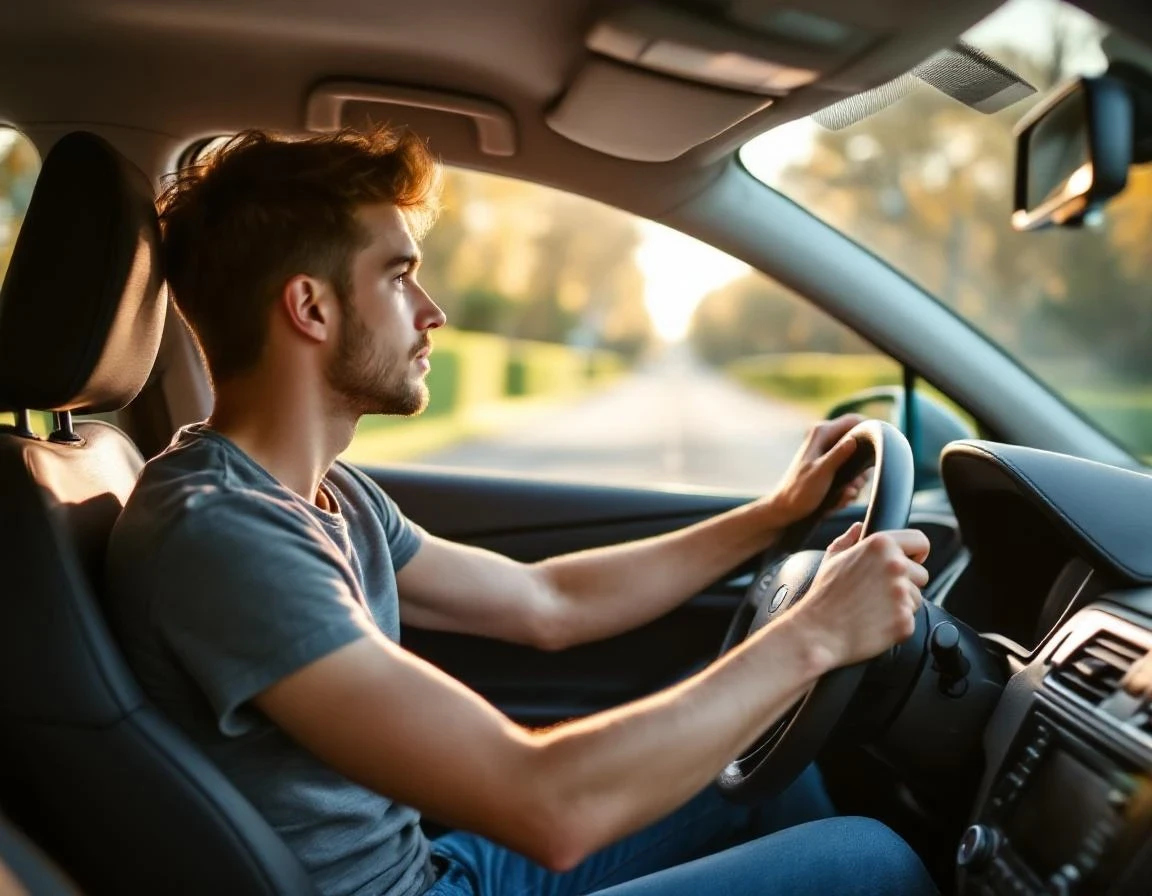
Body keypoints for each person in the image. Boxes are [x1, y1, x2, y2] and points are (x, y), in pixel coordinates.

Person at [105, 126, 938, 896]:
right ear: (310, 307)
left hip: (436, 867)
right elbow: (546, 804)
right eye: (398, 277)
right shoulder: (222, 532)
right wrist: (817, 633)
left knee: (775, 770)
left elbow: (549, 604)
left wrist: (774, 515)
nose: (433, 313)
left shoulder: (325, 493)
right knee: (873, 863)